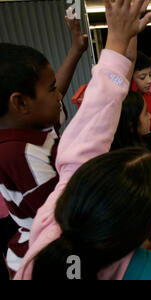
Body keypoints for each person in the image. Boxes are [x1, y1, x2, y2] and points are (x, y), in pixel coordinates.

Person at [15, 0, 151, 280]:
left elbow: (89, 135)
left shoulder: (52, 227)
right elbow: (85, 142)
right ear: (144, 231)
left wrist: (118, 40)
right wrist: (119, 39)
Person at [0, 15, 88, 276]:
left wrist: (76, 51)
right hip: (44, 261)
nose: (59, 96)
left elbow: (54, 93)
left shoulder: (30, 126)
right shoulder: (21, 155)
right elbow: (65, 221)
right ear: (21, 103)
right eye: (51, 90)